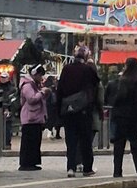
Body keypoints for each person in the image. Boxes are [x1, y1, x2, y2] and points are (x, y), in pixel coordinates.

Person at [56, 44, 100, 177]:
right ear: (85, 58)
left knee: (71, 141)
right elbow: (96, 85)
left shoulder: (66, 69)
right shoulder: (88, 70)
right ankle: (87, 168)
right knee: (85, 140)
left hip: (69, 110)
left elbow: (60, 90)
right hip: (84, 110)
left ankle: (71, 168)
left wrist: (59, 110)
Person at [111, 56, 137, 178]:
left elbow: (119, 97)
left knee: (119, 145)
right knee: (136, 144)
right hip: (135, 116)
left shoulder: (124, 80)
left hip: (122, 116)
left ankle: (117, 171)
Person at [17, 64, 48, 171]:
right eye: (40, 75)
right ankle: (26, 163)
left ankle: (32, 162)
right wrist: (42, 92)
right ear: (35, 74)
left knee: (35, 142)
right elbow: (31, 99)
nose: (41, 78)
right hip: (29, 117)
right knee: (28, 142)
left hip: (35, 117)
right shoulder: (27, 86)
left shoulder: (34, 85)